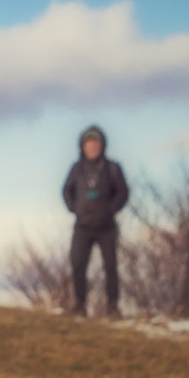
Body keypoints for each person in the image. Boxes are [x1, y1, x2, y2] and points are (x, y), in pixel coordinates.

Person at [61, 124, 129, 316]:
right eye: (88, 145)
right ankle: (80, 305)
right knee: (78, 265)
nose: (92, 148)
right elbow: (66, 191)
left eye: (95, 145)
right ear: (82, 147)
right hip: (82, 226)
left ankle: (113, 306)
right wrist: (75, 208)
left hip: (106, 227)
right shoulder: (76, 169)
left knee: (111, 267)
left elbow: (123, 192)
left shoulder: (112, 168)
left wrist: (110, 210)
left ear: (102, 146)